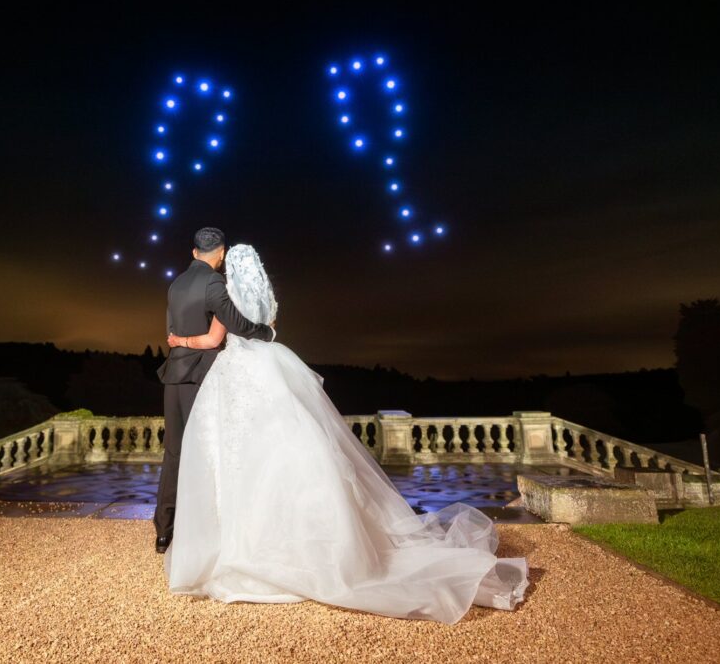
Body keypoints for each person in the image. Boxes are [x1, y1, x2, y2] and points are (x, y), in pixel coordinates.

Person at [162, 243, 528, 624]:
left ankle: (244, 545)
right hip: (271, 370)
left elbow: (213, 341)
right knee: (286, 451)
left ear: (228, 270)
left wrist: (179, 341)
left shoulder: (225, 298)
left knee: (237, 460)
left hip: (237, 374)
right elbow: (269, 332)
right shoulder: (268, 302)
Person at [154, 228, 276, 554]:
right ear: (220, 255)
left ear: (194, 252)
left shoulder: (175, 283)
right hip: (200, 376)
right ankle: (202, 529)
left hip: (173, 376)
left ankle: (164, 531)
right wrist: (265, 332)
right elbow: (234, 322)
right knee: (204, 452)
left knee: (174, 453)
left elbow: (171, 328)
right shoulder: (214, 283)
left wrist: (180, 342)